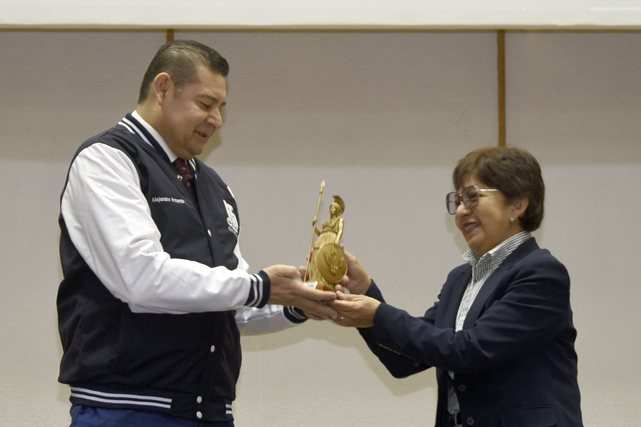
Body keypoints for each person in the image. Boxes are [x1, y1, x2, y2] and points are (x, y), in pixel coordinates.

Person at [56, 39, 338, 427]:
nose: (218, 119)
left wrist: (296, 303)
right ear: (163, 88)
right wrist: (260, 286)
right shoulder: (108, 160)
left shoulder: (214, 187)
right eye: (206, 104)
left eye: (222, 107)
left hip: (209, 410)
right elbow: (140, 278)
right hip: (127, 408)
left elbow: (228, 305)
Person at [331, 146, 583, 427]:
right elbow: (405, 362)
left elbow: (470, 352)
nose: (462, 211)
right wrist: (363, 291)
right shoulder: (460, 279)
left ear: (517, 205)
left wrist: (377, 314)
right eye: (458, 201)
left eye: (473, 197)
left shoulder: (541, 273)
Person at [307, 195, 345, 289]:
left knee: (326, 259)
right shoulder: (325, 222)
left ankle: (325, 281)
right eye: (331, 207)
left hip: (331, 239)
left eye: (334, 208)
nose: (331, 209)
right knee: (317, 257)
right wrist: (314, 226)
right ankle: (315, 279)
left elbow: (340, 230)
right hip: (321, 239)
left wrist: (337, 239)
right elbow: (320, 233)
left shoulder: (340, 220)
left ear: (337, 210)